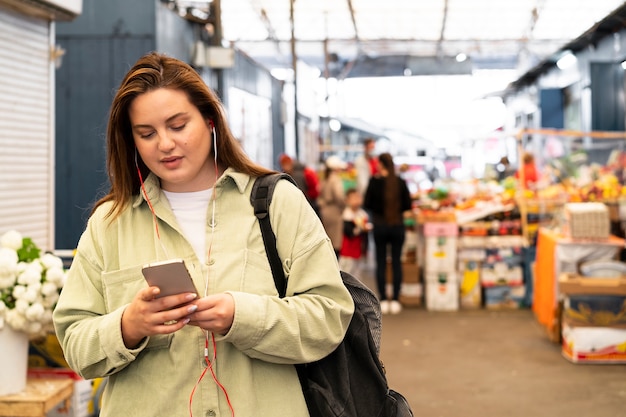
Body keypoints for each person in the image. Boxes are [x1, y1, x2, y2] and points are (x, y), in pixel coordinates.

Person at [52, 52, 353, 417]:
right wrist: (128, 325)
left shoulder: (276, 203)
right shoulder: (109, 224)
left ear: (210, 121)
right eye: (146, 133)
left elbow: (329, 316)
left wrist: (240, 316)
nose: (164, 144)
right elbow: (74, 343)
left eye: (178, 126)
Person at [364, 152, 412, 315]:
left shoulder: (374, 182)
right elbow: (408, 204)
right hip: (397, 227)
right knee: (397, 262)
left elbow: (367, 203)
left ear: (381, 164)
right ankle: (396, 300)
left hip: (380, 227)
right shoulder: (400, 182)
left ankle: (384, 298)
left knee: (381, 262)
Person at [317, 155, 347, 258]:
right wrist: (344, 206)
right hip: (334, 212)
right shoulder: (335, 179)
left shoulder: (325, 178)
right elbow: (339, 196)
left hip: (325, 211)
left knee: (328, 242)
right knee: (335, 243)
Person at [338, 187, 372, 276]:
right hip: (348, 250)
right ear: (347, 200)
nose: (356, 200)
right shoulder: (346, 215)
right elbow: (350, 233)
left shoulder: (363, 214)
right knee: (346, 272)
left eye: (358, 197)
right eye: (353, 198)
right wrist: (361, 228)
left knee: (357, 274)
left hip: (359, 249)